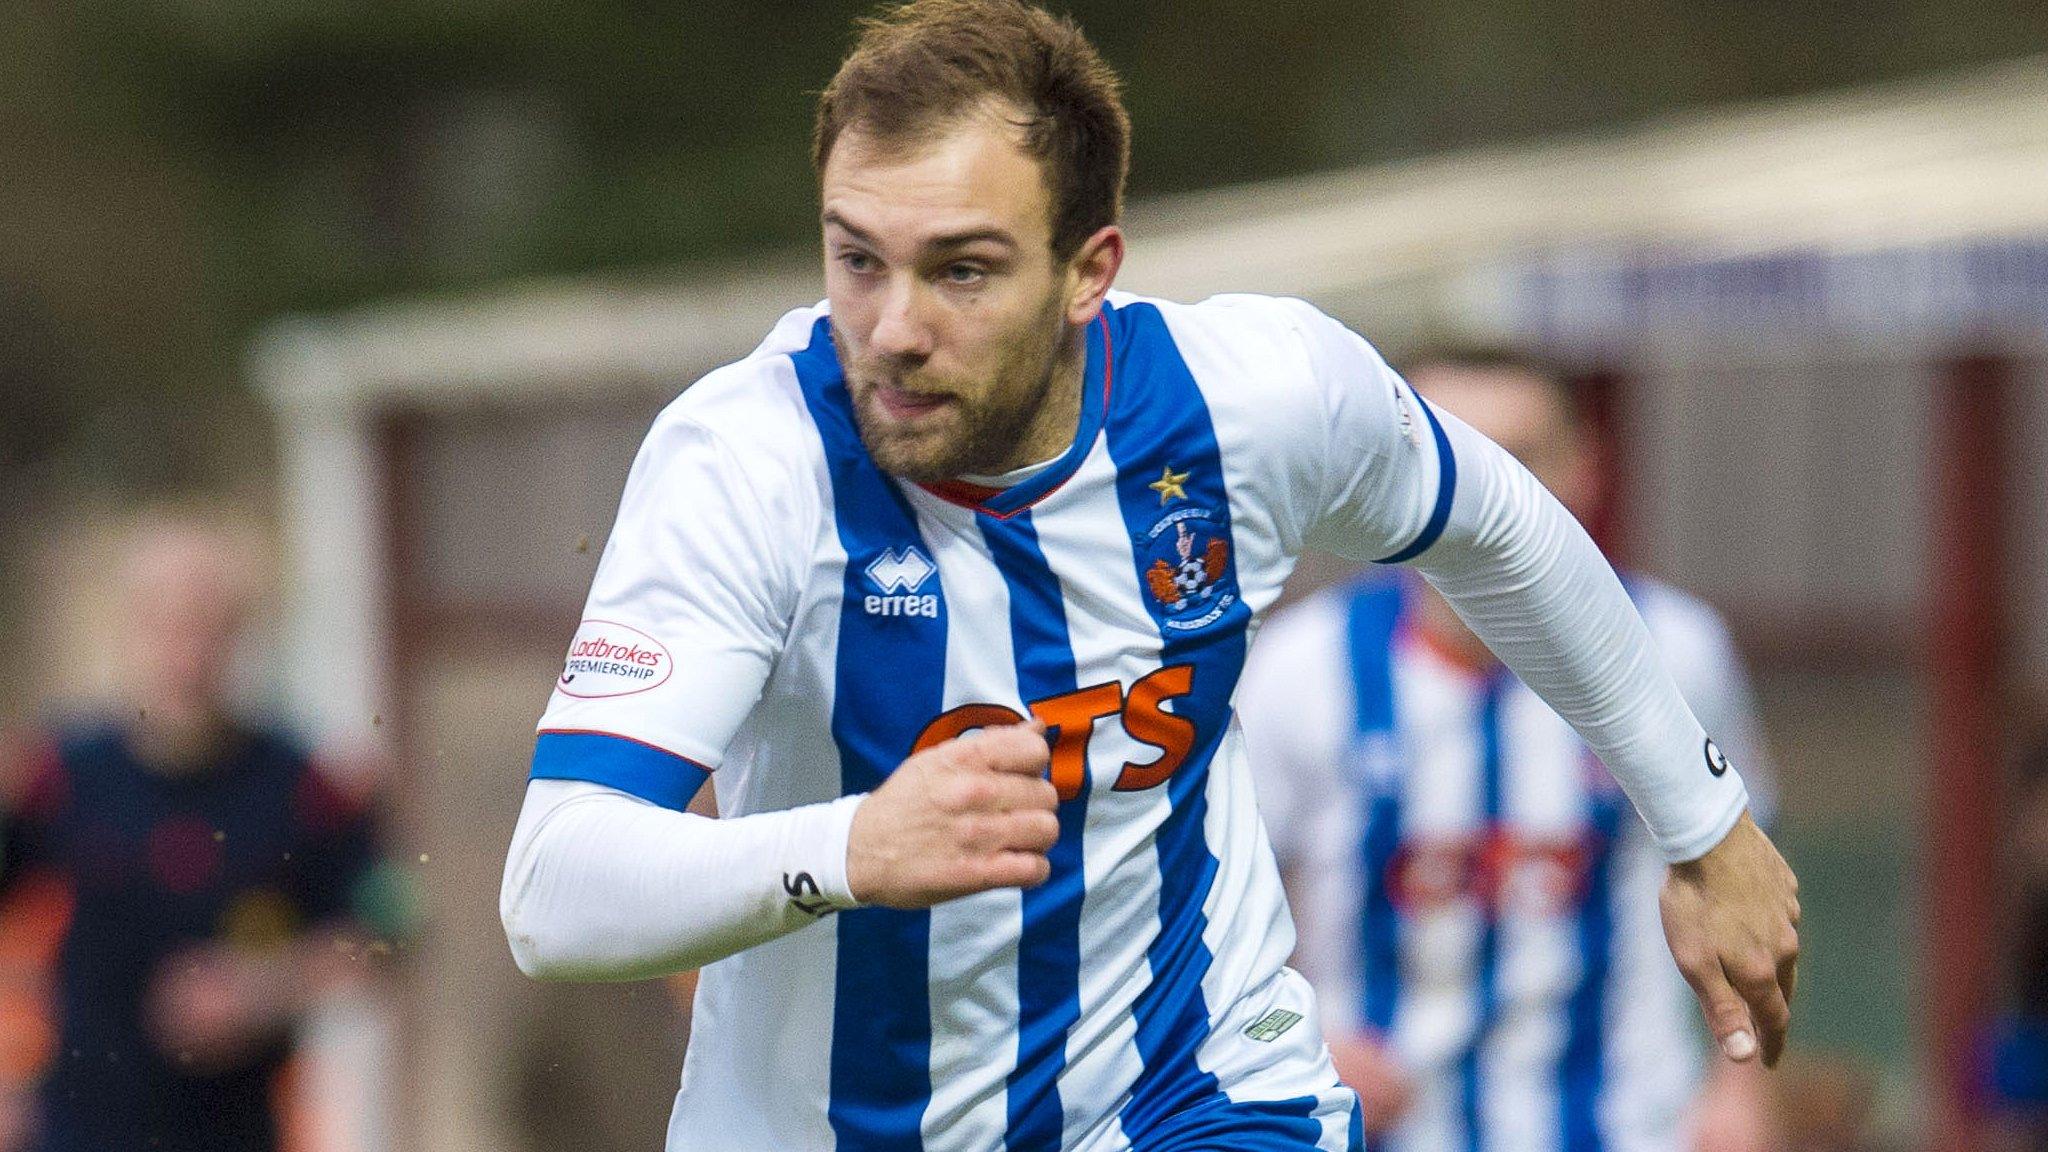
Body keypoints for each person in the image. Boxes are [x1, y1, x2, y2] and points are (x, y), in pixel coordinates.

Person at [496, 3, 1801, 1149]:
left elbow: (1500, 525)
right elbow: (557, 890)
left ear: (1089, 272)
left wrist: (1703, 827)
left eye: (962, 269)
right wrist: (853, 846)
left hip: (1196, 1098)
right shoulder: (748, 465)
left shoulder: (1258, 400)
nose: (894, 330)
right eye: (857, 259)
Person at [1237, 350, 1786, 1152]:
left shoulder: (1678, 648)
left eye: (1521, 458)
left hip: (1628, 1130)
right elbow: (1212, 910)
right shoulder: (1298, 668)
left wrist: (1742, 1093)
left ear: (1585, 468)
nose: (1484, 495)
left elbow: (1747, 886)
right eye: (1448, 458)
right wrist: (1284, 1043)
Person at [0, 515, 393, 1152]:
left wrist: (266, 986)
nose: (184, 648)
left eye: (205, 621)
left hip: (239, 1134)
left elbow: (391, 933)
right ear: (126, 627)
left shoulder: (301, 784)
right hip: (74, 1132)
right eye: (161, 619)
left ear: (241, 632)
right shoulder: (55, 775)